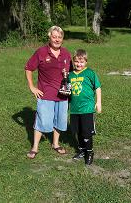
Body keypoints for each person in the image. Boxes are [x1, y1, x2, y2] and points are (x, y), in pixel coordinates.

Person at [25, 26, 72, 159]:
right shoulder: (41, 52)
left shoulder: (67, 54)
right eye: (54, 36)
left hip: (63, 95)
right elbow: (28, 68)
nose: (57, 39)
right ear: (49, 37)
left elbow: (74, 72)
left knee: (60, 120)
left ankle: (55, 144)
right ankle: (35, 147)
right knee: (42, 121)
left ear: (62, 39)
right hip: (46, 94)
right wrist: (32, 87)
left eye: (59, 37)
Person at [68, 49, 102, 165]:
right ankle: (82, 150)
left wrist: (99, 102)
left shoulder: (90, 73)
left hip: (87, 108)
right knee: (78, 132)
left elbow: (97, 87)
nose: (79, 64)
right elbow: (68, 90)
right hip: (74, 109)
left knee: (86, 132)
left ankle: (89, 152)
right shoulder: (70, 75)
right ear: (73, 61)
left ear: (86, 62)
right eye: (76, 62)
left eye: (81, 62)